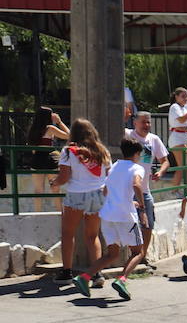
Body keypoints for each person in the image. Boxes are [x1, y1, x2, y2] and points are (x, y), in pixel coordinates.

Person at [73, 137, 148, 300]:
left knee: (112, 254)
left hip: (108, 215)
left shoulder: (114, 166)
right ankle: (122, 279)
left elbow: (106, 190)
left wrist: (125, 200)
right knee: (138, 252)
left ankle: (84, 277)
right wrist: (141, 206)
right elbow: (136, 185)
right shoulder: (137, 168)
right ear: (136, 153)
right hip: (126, 216)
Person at [49, 118, 108, 284]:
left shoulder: (68, 151)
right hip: (97, 194)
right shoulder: (102, 151)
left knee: (68, 233)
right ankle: (97, 274)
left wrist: (54, 182)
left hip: (76, 195)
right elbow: (108, 174)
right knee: (92, 235)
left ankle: (66, 272)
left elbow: (64, 177)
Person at [126, 111, 171, 263]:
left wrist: (160, 172)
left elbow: (165, 161)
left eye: (148, 122)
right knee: (129, 224)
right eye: (143, 122)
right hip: (127, 190)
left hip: (144, 190)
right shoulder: (127, 134)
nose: (146, 125)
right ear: (135, 123)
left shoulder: (154, 139)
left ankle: (142, 256)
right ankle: (132, 255)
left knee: (148, 224)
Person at [168, 88, 187, 173]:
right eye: (183, 96)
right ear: (176, 97)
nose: (186, 99)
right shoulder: (174, 107)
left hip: (186, 137)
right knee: (183, 167)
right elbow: (181, 120)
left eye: (186, 96)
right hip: (177, 138)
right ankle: (178, 185)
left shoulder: (184, 108)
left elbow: (186, 125)